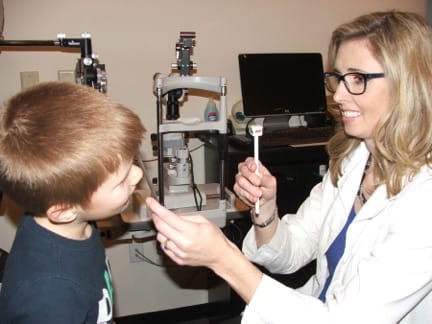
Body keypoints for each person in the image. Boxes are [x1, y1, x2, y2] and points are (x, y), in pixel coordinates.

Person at [146, 10, 432, 323]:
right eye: (337, 78)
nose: (337, 95)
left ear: (409, 84)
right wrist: (265, 208)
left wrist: (223, 258)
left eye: (357, 79)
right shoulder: (355, 160)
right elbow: (293, 252)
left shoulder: (424, 201)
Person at [0, 81, 145, 323]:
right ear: (64, 210)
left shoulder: (73, 223)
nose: (138, 175)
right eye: (120, 181)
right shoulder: (49, 294)